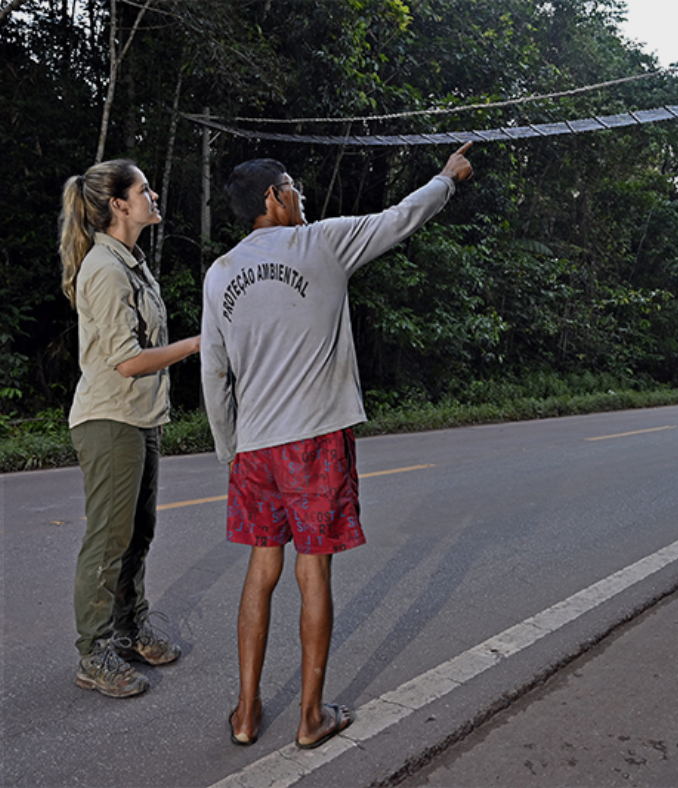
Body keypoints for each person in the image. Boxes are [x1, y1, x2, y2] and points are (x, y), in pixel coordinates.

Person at [201, 142, 473, 748]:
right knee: (312, 572)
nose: (302, 197)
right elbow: (400, 217)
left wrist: (231, 450)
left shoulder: (219, 274)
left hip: (256, 446)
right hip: (314, 440)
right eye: (293, 187)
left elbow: (214, 372)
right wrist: (448, 178)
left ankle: (245, 714)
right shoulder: (321, 242)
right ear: (274, 197)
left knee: (261, 570)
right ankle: (309, 718)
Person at [59, 159, 201, 698]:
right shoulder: (105, 268)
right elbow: (127, 361)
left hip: (139, 416)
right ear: (119, 204)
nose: (153, 194)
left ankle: (127, 631)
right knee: (108, 538)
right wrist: (196, 343)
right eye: (144, 189)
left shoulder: (133, 264)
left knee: (138, 533)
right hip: (110, 419)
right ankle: (92, 654)